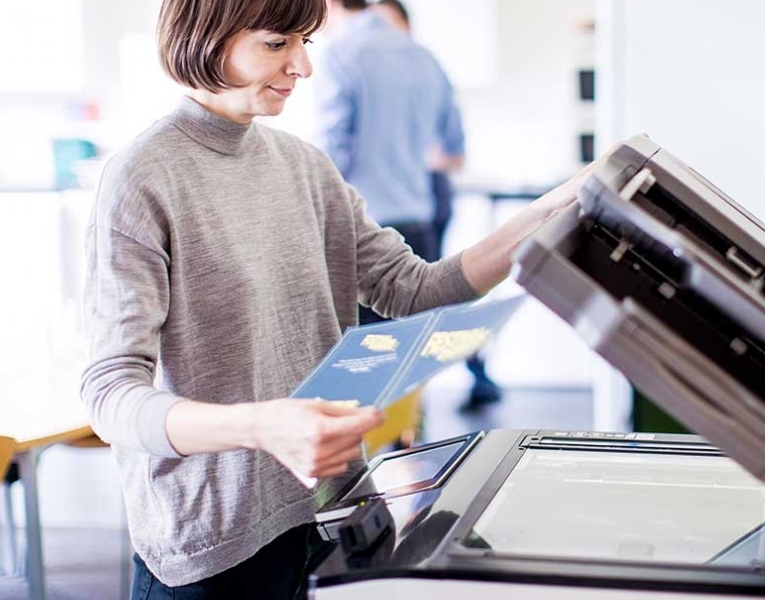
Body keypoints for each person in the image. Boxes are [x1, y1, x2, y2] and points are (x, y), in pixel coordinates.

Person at [80, 0, 593, 597]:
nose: (303, 67)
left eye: (306, 43)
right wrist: (262, 426)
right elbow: (111, 396)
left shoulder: (305, 166)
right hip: (213, 545)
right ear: (205, 36)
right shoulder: (142, 179)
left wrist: (557, 208)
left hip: (324, 511)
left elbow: (416, 288)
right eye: (276, 44)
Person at [320, 0, 501, 410]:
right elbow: (453, 148)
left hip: (362, 229)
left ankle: (369, 465)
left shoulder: (340, 54)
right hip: (417, 220)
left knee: (362, 370)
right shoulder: (424, 56)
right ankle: (411, 456)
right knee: (407, 358)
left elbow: (332, 156)